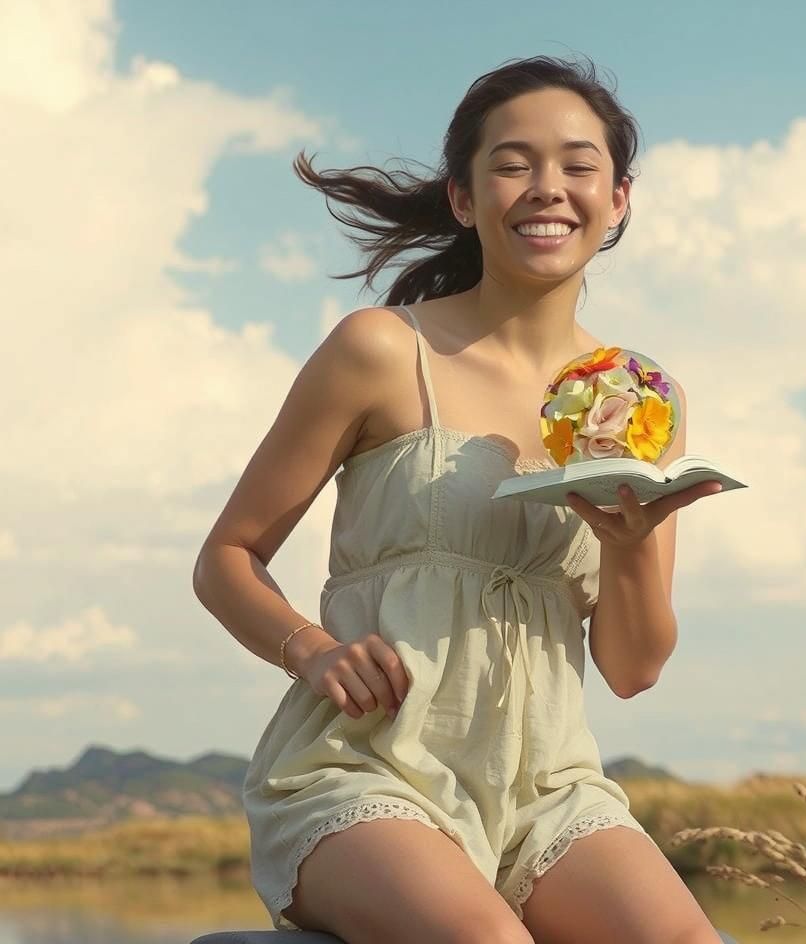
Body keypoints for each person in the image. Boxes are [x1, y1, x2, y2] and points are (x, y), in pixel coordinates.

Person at [192, 54, 725, 944]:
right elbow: (225, 558)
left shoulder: (641, 397)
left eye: (578, 165)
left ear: (619, 200)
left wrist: (630, 541)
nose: (547, 187)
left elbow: (632, 670)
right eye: (513, 163)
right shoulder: (380, 350)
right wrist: (311, 650)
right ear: (465, 199)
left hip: (550, 791)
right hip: (363, 773)